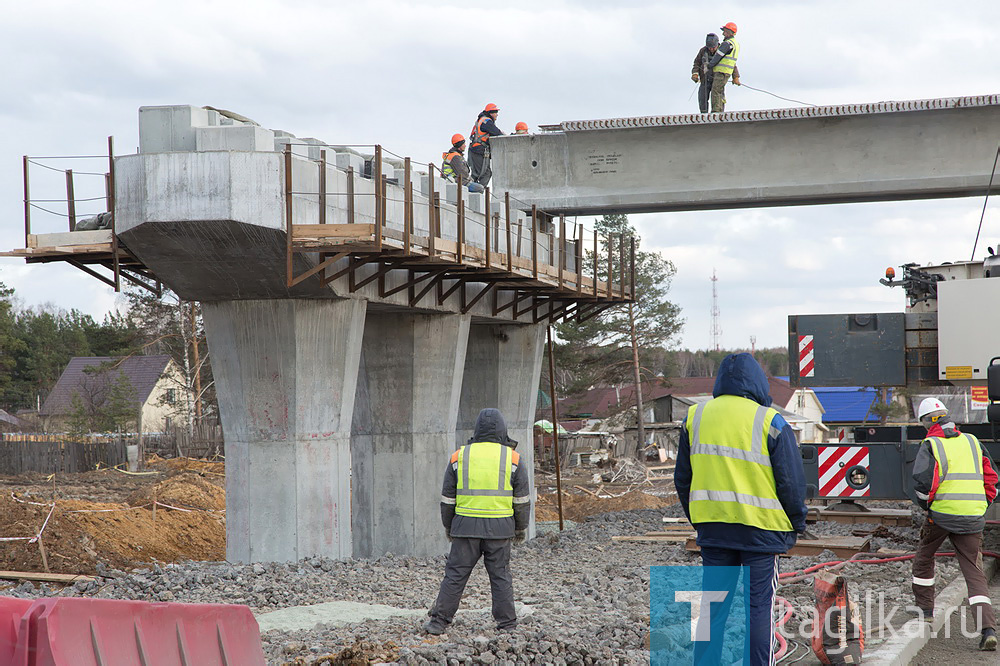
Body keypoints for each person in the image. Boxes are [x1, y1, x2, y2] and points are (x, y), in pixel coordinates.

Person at [674, 352, 808, 665]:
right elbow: (790, 483)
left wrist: (700, 520)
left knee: (710, 608)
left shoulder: (695, 417)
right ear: (758, 382)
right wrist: (796, 523)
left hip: (714, 531)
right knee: (758, 609)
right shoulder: (769, 420)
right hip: (760, 533)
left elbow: (683, 479)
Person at [424, 408, 531, 635]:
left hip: (465, 528)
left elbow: (447, 499)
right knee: (500, 575)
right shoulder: (513, 458)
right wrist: (520, 527)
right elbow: (521, 501)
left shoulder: (459, 456)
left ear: (477, 429)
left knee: (455, 574)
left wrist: (448, 526)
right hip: (500, 529)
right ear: (503, 430)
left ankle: (438, 622)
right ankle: (507, 624)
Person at [910, 397, 998, 651]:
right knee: (974, 570)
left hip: (941, 516)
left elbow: (924, 484)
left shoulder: (931, 444)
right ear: (948, 417)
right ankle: (987, 630)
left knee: (925, 557)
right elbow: (991, 478)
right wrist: (981, 505)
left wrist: (927, 507)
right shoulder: (972, 441)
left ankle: (925, 610)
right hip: (972, 516)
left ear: (927, 422)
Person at [692, 33, 740, 114]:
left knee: (718, 96)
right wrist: (695, 73)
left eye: (713, 47)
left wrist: (736, 77)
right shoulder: (703, 51)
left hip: (717, 79)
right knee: (702, 98)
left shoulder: (723, 49)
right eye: (709, 47)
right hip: (705, 79)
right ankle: (704, 115)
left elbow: (732, 64)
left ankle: (718, 113)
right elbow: (697, 63)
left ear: (717, 44)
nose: (711, 49)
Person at [708, 22, 741, 112]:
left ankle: (716, 111)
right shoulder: (735, 44)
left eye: (725, 31)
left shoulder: (727, 44)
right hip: (727, 72)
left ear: (730, 32)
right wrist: (735, 76)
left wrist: (709, 66)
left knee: (716, 91)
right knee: (720, 91)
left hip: (721, 71)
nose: (723, 33)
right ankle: (720, 109)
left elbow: (717, 57)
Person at [469, 103, 504, 187]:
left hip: (475, 150)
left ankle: (472, 192)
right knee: (485, 174)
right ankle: (477, 192)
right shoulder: (486, 121)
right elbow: (497, 133)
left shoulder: (482, 120)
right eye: (495, 112)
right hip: (479, 150)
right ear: (491, 112)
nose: (497, 115)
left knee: (476, 174)